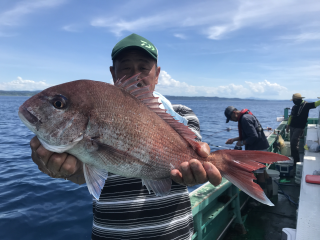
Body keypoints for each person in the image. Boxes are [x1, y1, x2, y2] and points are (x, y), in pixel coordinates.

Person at [29, 33, 222, 240]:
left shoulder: (182, 115)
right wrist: (62, 170)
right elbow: (80, 175)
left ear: (157, 74)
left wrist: (201, 167)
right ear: (113, 73)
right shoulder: (99, 111)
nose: (135, 75)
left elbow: (194, 162)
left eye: (144, 67)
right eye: (126, 68)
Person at [224, 106, 271, 195]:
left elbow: (253, 136)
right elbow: (249, 134)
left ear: (234, 113)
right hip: (262, 146)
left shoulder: (245, 119)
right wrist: (234, 140)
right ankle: (270, 191)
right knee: (263, 171)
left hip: (258, 149)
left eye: (230, 118)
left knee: (260, 173)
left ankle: (261, 200)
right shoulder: (246, 116)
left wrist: (241, 143)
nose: (232, 120)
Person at [286, 93, 320, 165]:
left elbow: (316, 104)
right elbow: (291, 116)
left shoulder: (306, 105)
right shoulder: (295, 106)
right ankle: (293, 159)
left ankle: (296, 161)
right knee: (292, 144)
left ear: (297, 99)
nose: (293, 101)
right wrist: (288, 125)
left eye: (294, 100)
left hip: (299, 127)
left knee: (294, 143)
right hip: (292, 126)